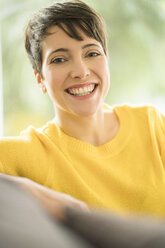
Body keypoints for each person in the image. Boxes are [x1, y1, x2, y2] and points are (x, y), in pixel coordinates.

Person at [0, 0, 165, 221]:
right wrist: (25, 188)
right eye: (59, 59)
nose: (81, 71)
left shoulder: (152, 125)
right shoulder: (29, 152)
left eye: (92, 53)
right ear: (40, 79)